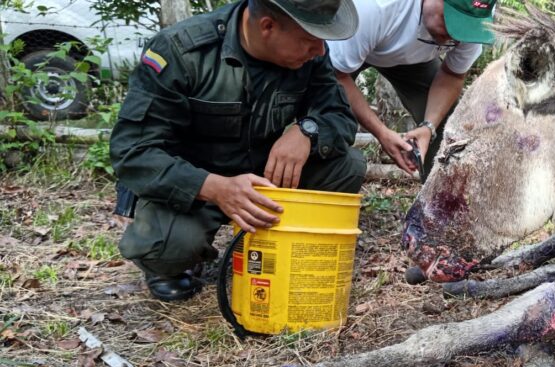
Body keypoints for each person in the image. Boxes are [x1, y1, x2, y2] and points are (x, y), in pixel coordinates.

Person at [110, 0, 364, 301]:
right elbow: (133, 151)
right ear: (267, 26)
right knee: (165, 248)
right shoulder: (182, 51)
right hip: (195, 181)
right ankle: (176, 263)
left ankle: (282, 244)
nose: (320, 51)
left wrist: (307, 131)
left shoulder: (310, 55)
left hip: (264, 176)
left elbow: (339, 115)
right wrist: (215, 188)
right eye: (310, 41)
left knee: (347, 165)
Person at [327, 0, 496, 181]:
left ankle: (436, 198)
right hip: (348, 51)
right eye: (451, 21)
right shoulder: (374, 7)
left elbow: (453, 75)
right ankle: (323, 186)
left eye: (464, 28)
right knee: (329, 113)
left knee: (448, 126)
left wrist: (428, 127)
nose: (454, 37)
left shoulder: (479, 15)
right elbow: (337, 75)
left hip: (412, 59)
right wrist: (381, 132)